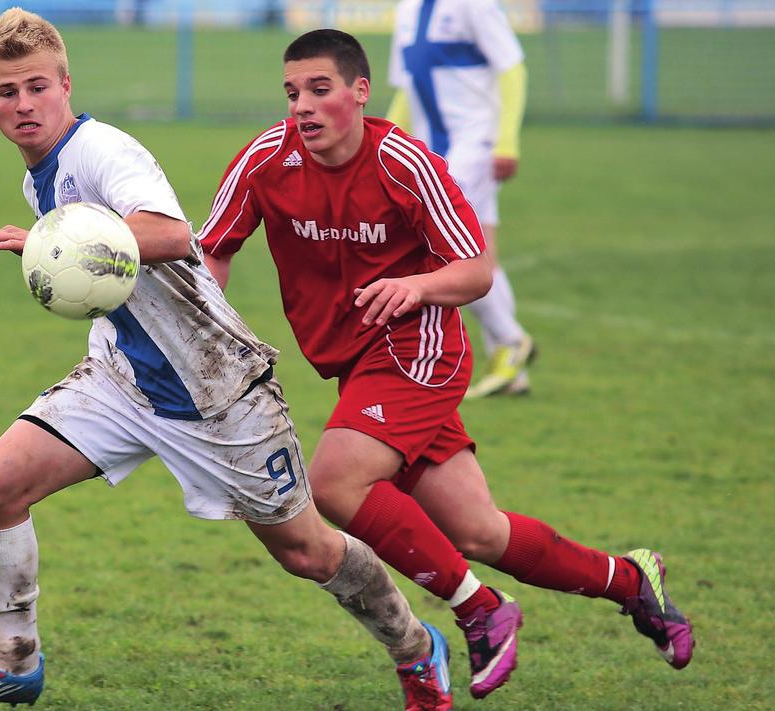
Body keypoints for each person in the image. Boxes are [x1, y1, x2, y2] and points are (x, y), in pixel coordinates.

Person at [0, 10, 453, 711]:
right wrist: (52, 236)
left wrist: (58, 239)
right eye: (6, 92)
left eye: (36, 87)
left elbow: (172, 235)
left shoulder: (104, 152)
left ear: (66, 83)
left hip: (217, 391)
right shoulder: (40, 174)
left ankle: (416, 649)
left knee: (309, 552)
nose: (22, 105)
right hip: (123, 378)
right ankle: (13, 659)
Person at [199, 28, 694, 698]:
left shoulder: (403, 162)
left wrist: (416, 286)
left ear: (360, 92)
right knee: (479, 530)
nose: (302, 107)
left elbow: (477, 270)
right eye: (292, 93)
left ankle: (480, 609)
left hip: (419, 349)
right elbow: (214, 247)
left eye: (320, 89)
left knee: (337, 482)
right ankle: (634, 583)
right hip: (356, 363)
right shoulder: (267, 159)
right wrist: (203, 328)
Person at [388, 0, 534, 398]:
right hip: (434, 152)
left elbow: (512, 69)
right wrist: (386, 142)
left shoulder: (474, 5)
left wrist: (506, 140)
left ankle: (510, 338)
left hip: (475, 146)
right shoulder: (406, 11)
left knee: (447, 251)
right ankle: (511, 368)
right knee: (480, 252)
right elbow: (407, 89)